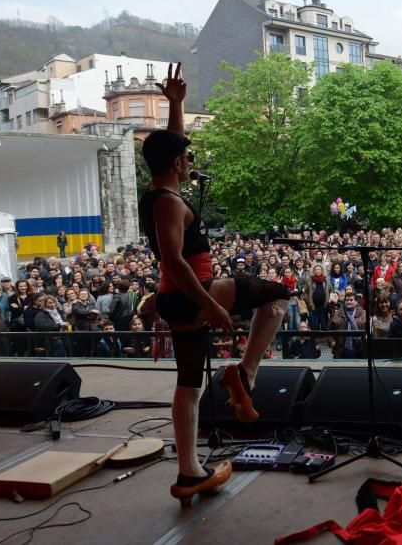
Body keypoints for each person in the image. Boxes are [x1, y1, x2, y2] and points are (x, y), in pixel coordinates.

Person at [139, 63, 290, 506]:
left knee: (189, 385)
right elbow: (174, 262)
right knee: (278, 297)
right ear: (175, 164)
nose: (191, 163)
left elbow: (171, 147)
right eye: (187, 159)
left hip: (176, 302)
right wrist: (214, 305)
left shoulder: (158, 191)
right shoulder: (168, 204)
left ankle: (189, 474)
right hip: (191, 295)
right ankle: (243, 373)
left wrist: (177, 106)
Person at [328, 291, 366, 358]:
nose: (348, 302)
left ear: (356, 302)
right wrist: (332, 342)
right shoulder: (337, 314)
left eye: (351, 300)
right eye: (347, 300)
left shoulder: (363, 313)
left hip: (359, 348)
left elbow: (369, 328)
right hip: (341, 348)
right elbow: (329, 330)